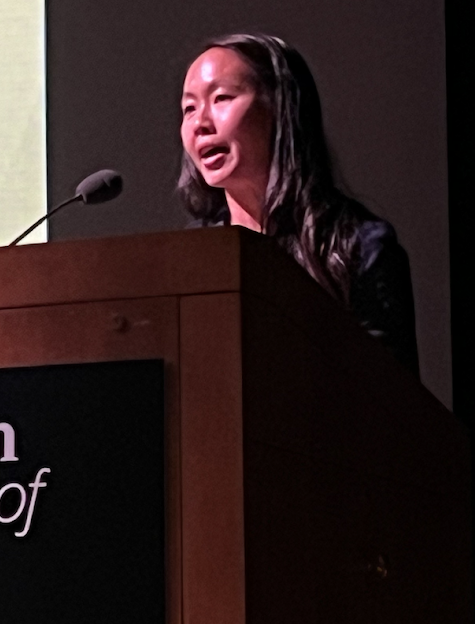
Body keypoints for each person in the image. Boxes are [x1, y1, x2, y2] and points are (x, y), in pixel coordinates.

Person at [178, 32, 419, 373]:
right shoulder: (193, 254)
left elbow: (392, 400)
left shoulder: (359, 246)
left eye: (221, 98)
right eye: (189, 108)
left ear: (280, 109)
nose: (200, 123)